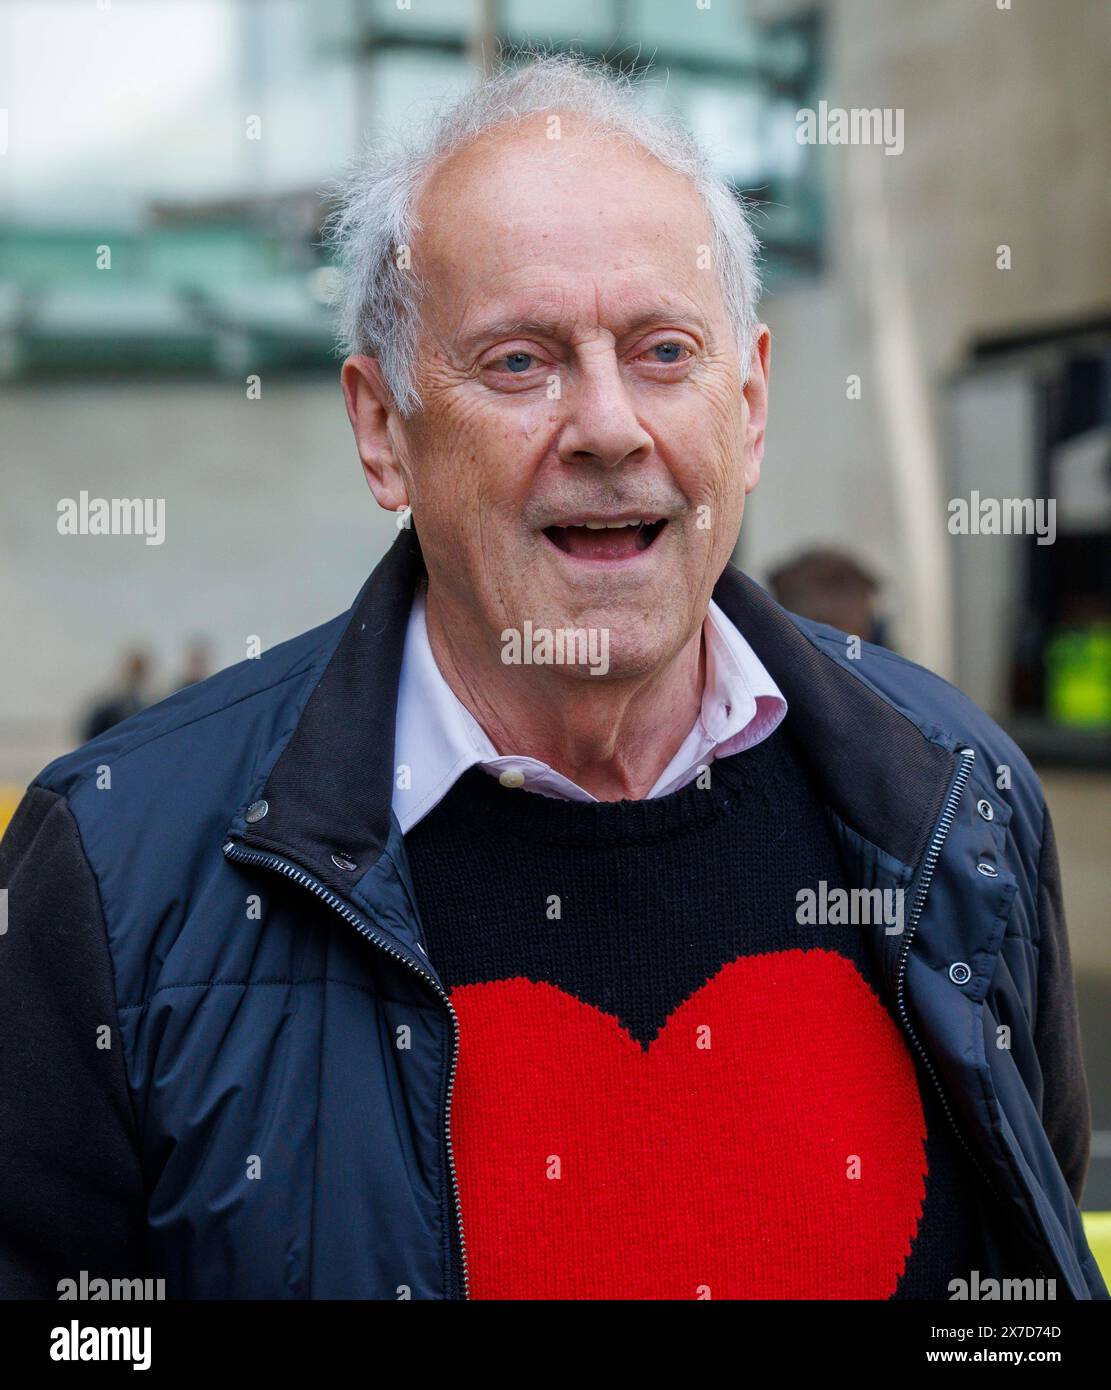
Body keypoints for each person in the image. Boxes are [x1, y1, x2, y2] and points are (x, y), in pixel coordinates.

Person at [0, 54, 1104, 1301]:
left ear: (748, 406)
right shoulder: (114, 870)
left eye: (663, 351)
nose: (609, 425)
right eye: (521, 361)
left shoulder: (965, 805)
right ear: (383, 430)